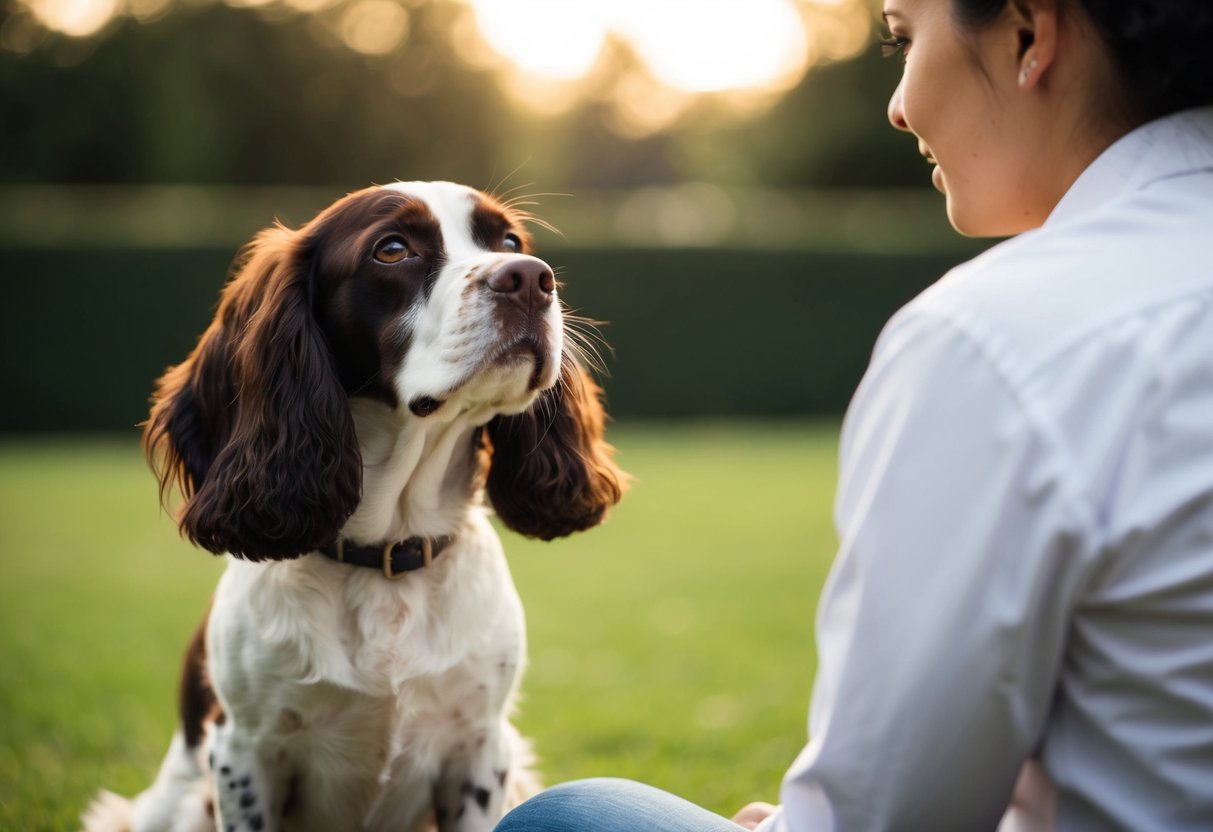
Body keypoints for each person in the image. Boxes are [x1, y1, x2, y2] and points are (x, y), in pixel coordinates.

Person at [495, 0, 1213, 828]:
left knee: (574, 817)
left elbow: (884, 819)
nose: (898, 105)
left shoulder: (991, 341)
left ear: (1026, 33)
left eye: (903, 38)